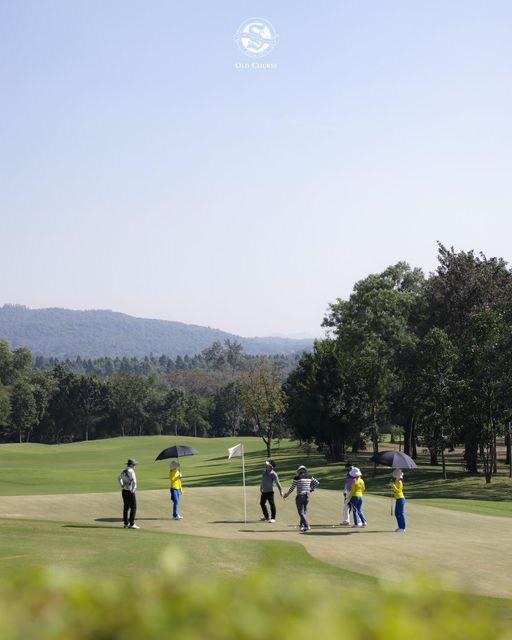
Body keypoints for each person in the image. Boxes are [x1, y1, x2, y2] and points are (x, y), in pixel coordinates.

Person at [283, 465, 319, 532]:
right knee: (304, 512)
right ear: (305, 471)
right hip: (307, 496)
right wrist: (311, 489)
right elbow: (317, 483)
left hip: (300, 496)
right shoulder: (309, 477)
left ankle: (306, 525)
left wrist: (286, 495)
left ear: (298, 471)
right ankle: (301, 526)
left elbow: (292, 488)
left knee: (301, 512)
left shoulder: (297, 478)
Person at [118, 458, 138, 529]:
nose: (135, 466)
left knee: (126, 507)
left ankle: (126, 523)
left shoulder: (124, 471)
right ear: (132, 465)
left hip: (124, 491)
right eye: (135, 465)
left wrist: (122, 485)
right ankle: (132, 523)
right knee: (134, 507)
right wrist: (133, 490)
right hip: (130, 491)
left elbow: (119, 478)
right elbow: (134, 482)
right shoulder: (131, 471)